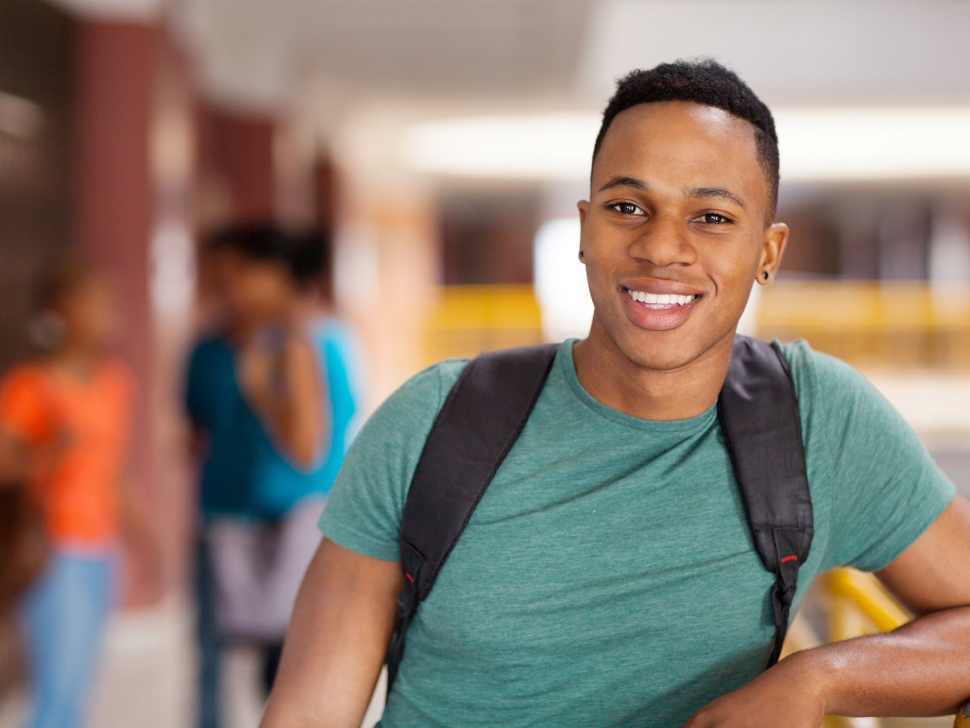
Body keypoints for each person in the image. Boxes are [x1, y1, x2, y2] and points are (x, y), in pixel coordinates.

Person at [261, 59, 970, 728]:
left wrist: (822, 677)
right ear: (584, 229)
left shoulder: (818, 422)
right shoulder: (434, 422)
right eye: (628, 206)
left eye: (712, 217)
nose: (662, 248)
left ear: (768, 253)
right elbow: (306, 713)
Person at [185, 225, 360, 728]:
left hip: (295, 521)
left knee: (286, 665)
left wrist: (262, 390)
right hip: (228, 513)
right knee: (231, 660)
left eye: (243, 274)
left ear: (279, 278)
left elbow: (306, 448)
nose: (230, 287)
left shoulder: (303, 343)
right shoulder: (223, 346)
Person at [0, 259, 157, 728]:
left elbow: (115, 473)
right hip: (52, 548)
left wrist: (145, 541)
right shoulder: (31, 386)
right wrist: (50, 449)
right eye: (94, 302)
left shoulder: (115, 382)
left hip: (100, 548)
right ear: (61, 310)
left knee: (78, 688)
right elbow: (6, 465)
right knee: (57, 690)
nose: (107, 312)